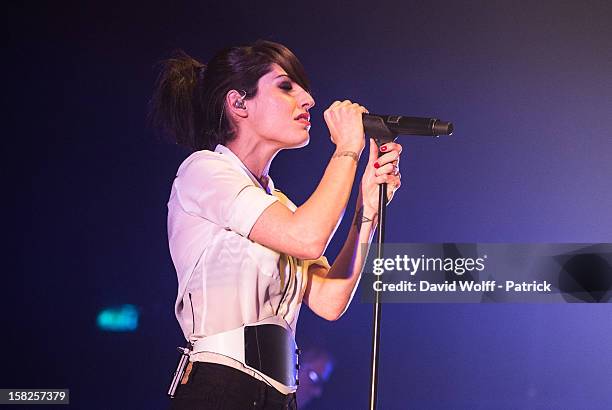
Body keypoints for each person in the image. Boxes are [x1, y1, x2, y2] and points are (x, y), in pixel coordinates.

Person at [150, 40, 403, 409]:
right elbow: (307, 237)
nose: (308, 100)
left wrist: (367, 209)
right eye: (286, 86)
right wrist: (347, 150)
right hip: (222, 388)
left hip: (281, 396)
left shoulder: (280, 205)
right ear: (238, 103)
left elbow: (329, 301)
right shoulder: (204, 171)